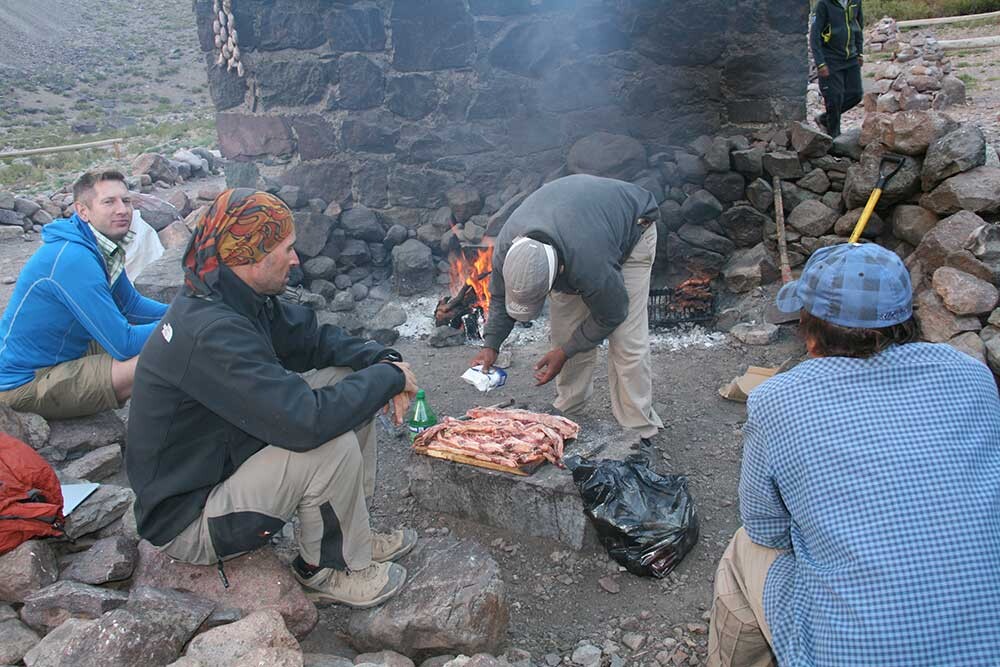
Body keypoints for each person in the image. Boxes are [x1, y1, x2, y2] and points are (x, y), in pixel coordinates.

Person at [707, 243, 1000, 667]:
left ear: (809, 327)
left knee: (743, 549)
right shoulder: (972, 375)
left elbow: (766, 528)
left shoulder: (779, 398)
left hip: (856, 652)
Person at [126, 189, 418, 609]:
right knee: (325, 444)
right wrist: (389, 379)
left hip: (223, 462)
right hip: (190, 518)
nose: (296, 259)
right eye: (286, 249)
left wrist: (380, 360)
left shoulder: (233, 295)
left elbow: (312, 340)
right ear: (250, 256)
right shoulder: (211, 331)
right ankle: (327, 569)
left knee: (348, 378)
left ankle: (356, 533)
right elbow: (306, 423)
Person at [471, 174, 663, 446]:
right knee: (565, 333)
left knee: (626, 342)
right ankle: (569, 410)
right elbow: (501, 298)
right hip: (574, 227)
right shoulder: (508, 249)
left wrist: (566, 352)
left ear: (559, 271)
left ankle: (638, 429)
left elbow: (611, 313)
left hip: (633, 227)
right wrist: (491, 344)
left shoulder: (590, 264)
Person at [0, 169, 167, 419]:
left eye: (126, 200)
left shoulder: (96, 244)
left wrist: (187, 310)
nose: (122, 210)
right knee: (169, 352)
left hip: (62, 350)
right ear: (83, 211)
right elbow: (123, 343)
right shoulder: (73, 258)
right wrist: (185, 323)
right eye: (109, 202)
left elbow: (131, 305)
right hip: (26, 381)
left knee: (175, 335)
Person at [809, 0, 864, 138]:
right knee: (834, 98)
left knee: (856, 95)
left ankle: (823, 119)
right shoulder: (824, 4)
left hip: (851, 57)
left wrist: (859, 52)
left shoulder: (855, 2)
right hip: (830, 58)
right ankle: (834, 138)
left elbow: (858, 26)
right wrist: (820, 63)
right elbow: (814, 36)